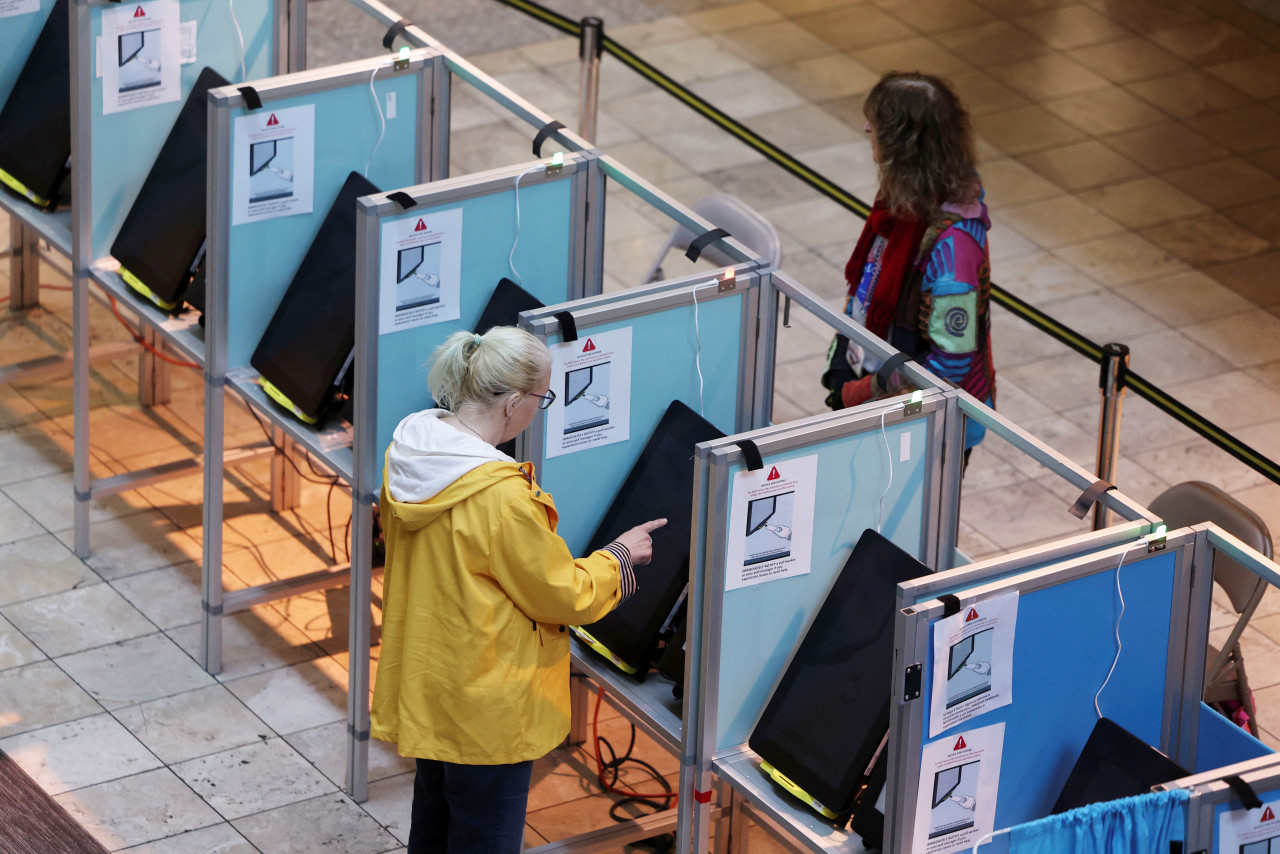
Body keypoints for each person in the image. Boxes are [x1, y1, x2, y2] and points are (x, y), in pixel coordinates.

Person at [370, 326, 667, 854]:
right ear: (511, 404)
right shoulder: (501, 498)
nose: (540, 409)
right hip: (488, 704)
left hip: (431, 681)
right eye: (541, 398)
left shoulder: (412, 450)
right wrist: (619, 557)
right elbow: (563, 594)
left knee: (434, 829)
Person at [822, 71, 996, 456]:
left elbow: (948, 365)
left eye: (878, 125)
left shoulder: (954, 253)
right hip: (879, 388)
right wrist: (842, 355)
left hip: (922, 428)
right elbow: (868, 281)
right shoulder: (905, 200)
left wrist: (861, 391)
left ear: (905, 146)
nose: (868, 129)